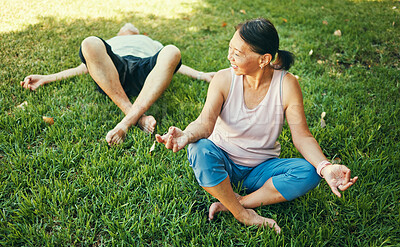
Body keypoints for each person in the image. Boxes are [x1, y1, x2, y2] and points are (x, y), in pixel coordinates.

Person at [156, 18, 358, 233]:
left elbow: (302, 136)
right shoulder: (223, 79)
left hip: (260, 169)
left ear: (264, 59)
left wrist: (325, 167)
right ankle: (242, 213)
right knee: (198, 148)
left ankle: (237, 202)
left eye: (238, 53)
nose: (229, 57)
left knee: (308, 172)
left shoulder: (287, 85)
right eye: (230, 49)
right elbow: (205, 123)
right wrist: (186, 135)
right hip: (222, 159)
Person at [20, 23, 216, 145]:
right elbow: (87, 66)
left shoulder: (151, 42)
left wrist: (202, 75)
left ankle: (126, 122)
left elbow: (171, 65)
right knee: (89, 42)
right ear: (120, 33)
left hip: (145, 70)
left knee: (172, 50)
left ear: (139, 33)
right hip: (115, 70)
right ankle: (138, 118)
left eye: (132, 28)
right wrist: (47, 77)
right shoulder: (111, 41)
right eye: (125, 28)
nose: (129, 27)